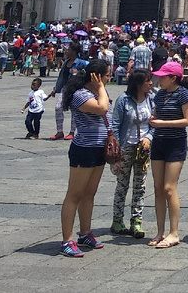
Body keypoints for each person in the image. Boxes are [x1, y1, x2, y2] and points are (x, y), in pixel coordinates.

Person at [59, 58, 111, 257]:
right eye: (107, 75)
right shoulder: (80, 94)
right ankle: (67, 239)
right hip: (84, 148)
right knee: (75, 194)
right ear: (96, 76)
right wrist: (101, 88)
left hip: (99, 148)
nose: (109, 78)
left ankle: (85, 233)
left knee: (90, 193)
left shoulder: (97, 93)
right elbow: (102, 108)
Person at [148, 60, 188, 248]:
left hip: (175, 143)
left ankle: (174, 233)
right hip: (159, 142)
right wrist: (153, 119)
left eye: (163, 77)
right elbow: (157, 115)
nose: (159, 80)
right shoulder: (160, 95)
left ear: (173, 78)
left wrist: (163, 123)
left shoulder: (183, 94)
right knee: (158, 187)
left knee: (169, 188)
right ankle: (160, 231)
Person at [110, 68, 154, 238]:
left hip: (143, 148)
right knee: (122, 184)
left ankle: (136, 221)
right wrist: (117, 152)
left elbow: (155, 123)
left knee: (140, 186)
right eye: (147, 81)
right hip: (126, 147)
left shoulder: (151, 99)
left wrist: (149, 137)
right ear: (138, 84)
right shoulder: (124, 100)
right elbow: (115, 125)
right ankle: (117, 220)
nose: (151, 83)